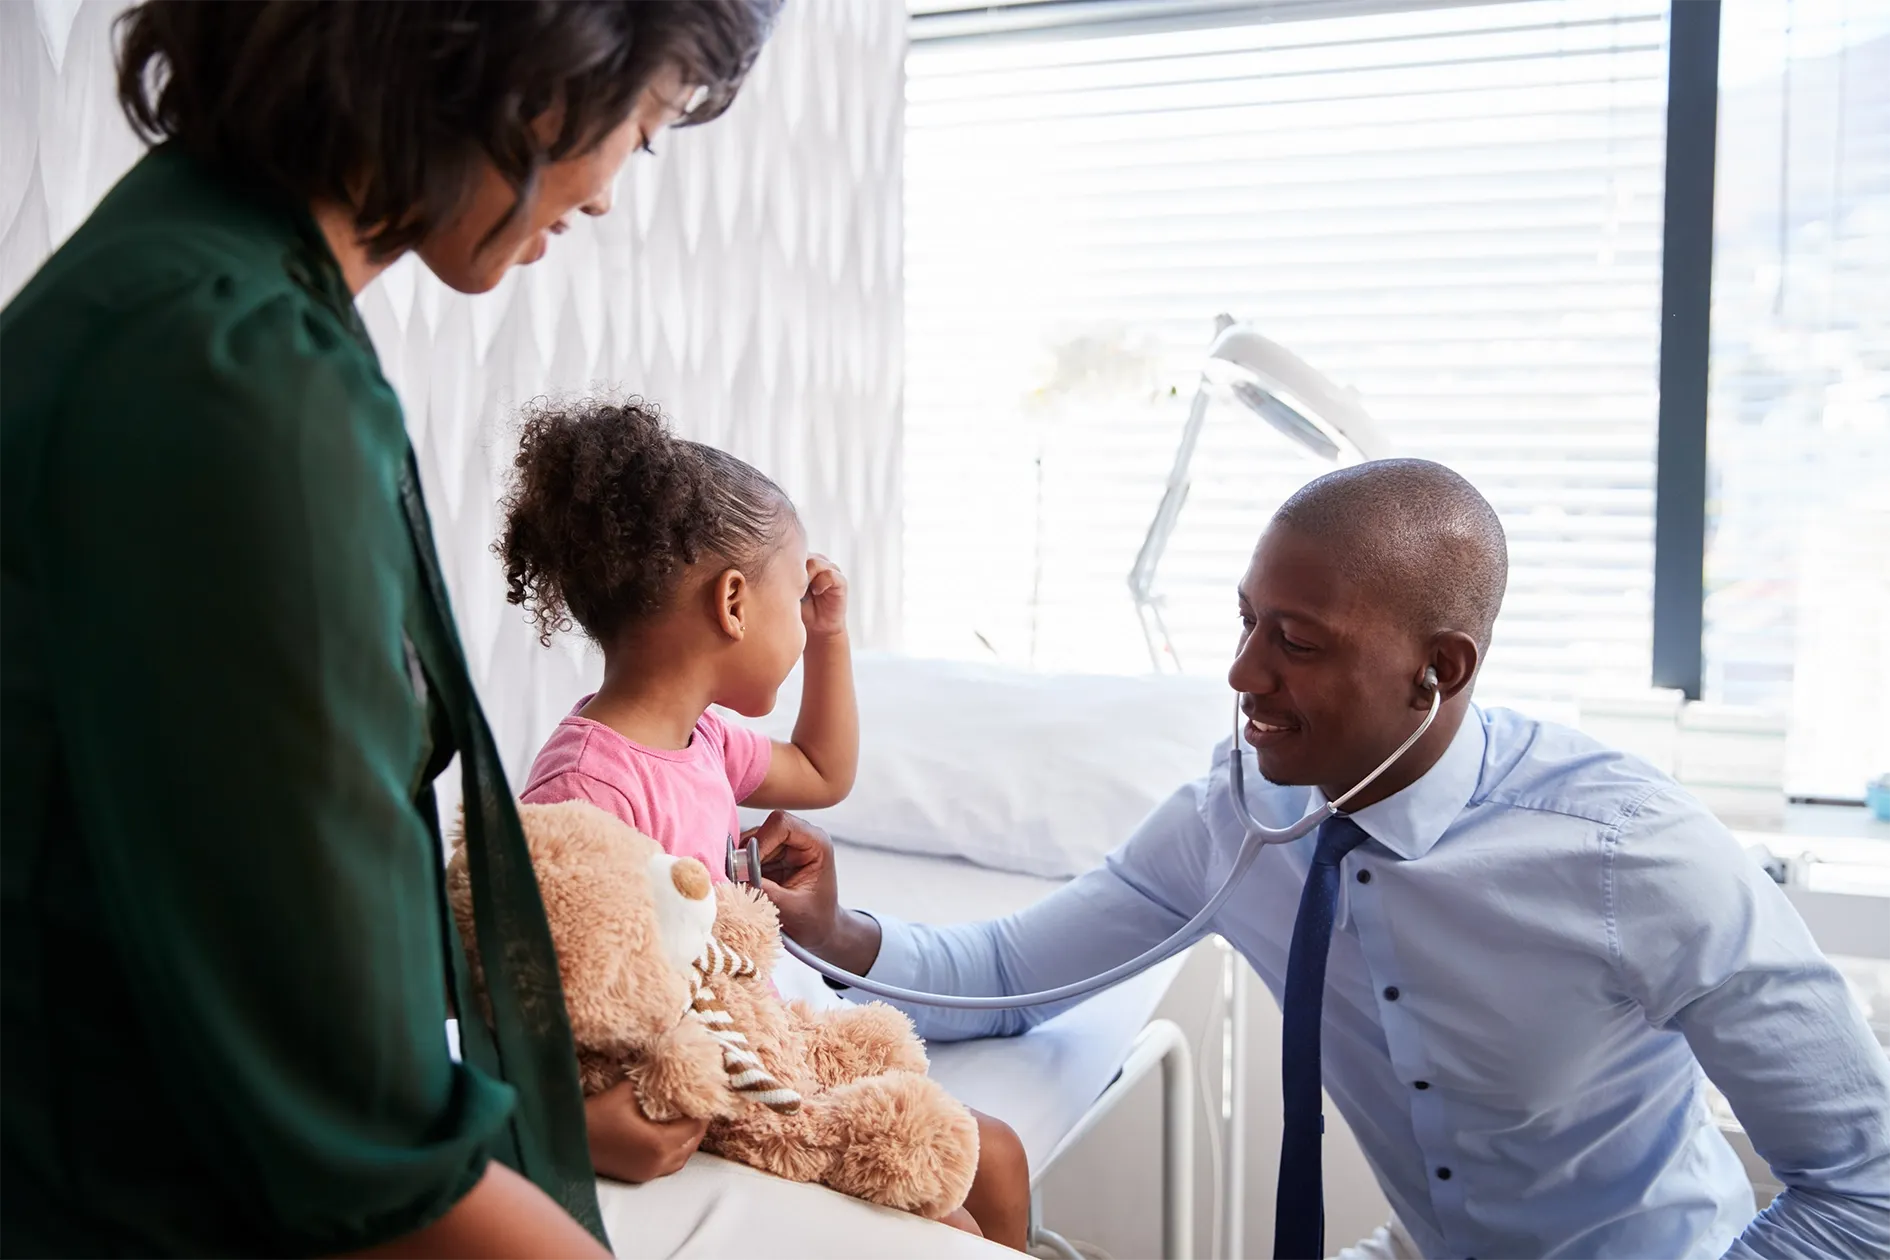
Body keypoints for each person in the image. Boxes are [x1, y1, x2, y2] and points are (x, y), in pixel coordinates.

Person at [0, 3, 780, 1258]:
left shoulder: (189, 288)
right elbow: (358, 1155)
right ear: (535, 54)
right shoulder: (235, 378)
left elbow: (255, 945)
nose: (606, 198)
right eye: (641, 126)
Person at [749, 458, 1890, 1259]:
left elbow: (1864, 1189)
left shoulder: (1631, 858)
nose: (1245, 674)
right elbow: (1010, 976)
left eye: (1294, 642)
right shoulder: (1239, 815)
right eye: (1245, 622)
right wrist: (834, 929)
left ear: (1438, 668)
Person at [495, 398, 1034, 1249]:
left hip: (761, 1040)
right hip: (705, 1083)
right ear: (734, 604)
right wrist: (591, 1116)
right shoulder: (585, 788)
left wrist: (829, 639)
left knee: (998, 1154)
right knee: (956, 1213)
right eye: (794, 606)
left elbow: (824, 770)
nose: (800, 628)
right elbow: (538, 993)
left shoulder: (702, 737)